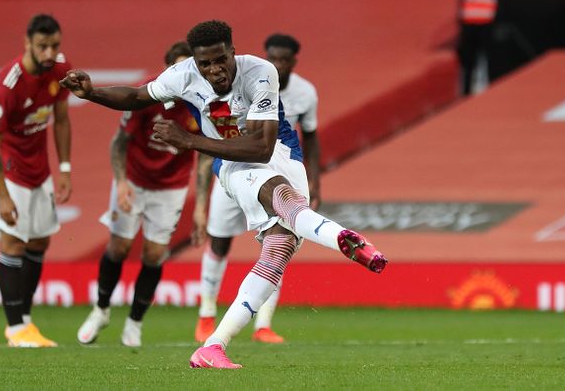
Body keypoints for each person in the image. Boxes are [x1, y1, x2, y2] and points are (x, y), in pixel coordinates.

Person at [60, 20, 387, 370]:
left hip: (281, 153)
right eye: (205, 64)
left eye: (220, 60)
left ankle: (213, 346)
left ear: (233, 52)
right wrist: (92, 93)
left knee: (277, 253)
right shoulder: (182, 74)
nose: (214, 70)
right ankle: (341, 236)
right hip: (231, 163)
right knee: (277, 197)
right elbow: (139, 97)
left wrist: (190, 141)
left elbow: (262, 148)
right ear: (196, 63)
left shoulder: (260, 71)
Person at [76, 41, 208, 347]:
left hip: (171, 188)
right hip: (134, 180)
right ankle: (101, 309)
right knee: (119, 247)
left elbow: (204, 156)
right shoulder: (149, 95)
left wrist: (200, 206)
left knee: (153, 254)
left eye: (188, 68)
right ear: (167, 70)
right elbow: (119, 142)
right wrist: (121, 182)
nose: (182, 75)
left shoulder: (201, 103)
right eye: (176, 68)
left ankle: (134, 323)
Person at [194, 33, 322, 344]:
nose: (276, 63)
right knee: (220, 242)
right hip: (233, 171)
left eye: (283, 59)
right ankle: (206, 316)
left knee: (279, 241)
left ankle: (263, 325)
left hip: (278, 173)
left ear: (293, 61)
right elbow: (211, 137)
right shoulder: (246, 81)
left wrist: (314, 181)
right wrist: (200, 200)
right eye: (272, 57)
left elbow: (312, 137)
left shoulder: (305, 93)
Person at [0, 14, 72, 348]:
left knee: (39, 242)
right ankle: (15, 327)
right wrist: (2, 195)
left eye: (55, 45)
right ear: (27, 43)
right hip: (10, 171)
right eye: (42, 46)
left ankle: (27, 321)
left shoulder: (59, 70)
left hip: (40, 170)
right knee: (13, 243)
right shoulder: (9, 84)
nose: (50, 53)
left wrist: (64, 168)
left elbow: (61, 120)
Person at [456, 0, 501, 96]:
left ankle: (488, 87)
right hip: (469, 25)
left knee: (488, 57)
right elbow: (461, 2)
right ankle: (466, 91)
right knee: (468, 59)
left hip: (486, 23)